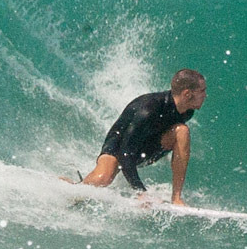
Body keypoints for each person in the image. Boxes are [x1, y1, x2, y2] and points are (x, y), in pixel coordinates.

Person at [78, 69, 206, 205]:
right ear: (187, 94)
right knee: (103, 178)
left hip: (146, 147)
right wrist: (141, 192)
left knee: (182, 131)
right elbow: (125, 153)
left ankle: (176, 198)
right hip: (118, 148)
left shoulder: (187, 111)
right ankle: (74, 187)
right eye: (202, 91)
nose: (205, 95)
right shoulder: (148, 110)